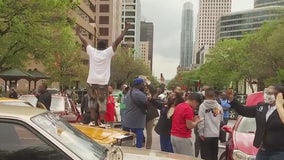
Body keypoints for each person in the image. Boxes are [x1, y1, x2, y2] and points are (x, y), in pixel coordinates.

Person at [75, 22, 131, 125]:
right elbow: (117, 42)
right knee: (102, 102)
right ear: (105, 47)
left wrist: (78, 33)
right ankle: (101, 120)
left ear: (97, 46)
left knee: (92, 101)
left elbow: (85, 42)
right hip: (102, 82)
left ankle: (92, 120)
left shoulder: (92, 51)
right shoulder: (107, 52)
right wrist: (125, 30)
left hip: (91, 81)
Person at [227, 85, 284, 160]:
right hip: (263, 151)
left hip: (279, 152)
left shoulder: (281, 109)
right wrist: (232, 100)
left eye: (270, 93)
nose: (267, 95)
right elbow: (244, 111)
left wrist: (279, 105)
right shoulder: (261, 106)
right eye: (266, 92)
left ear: (280, 95)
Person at [198, 88, 223, 160]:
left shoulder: (202, 106)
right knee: (214, 156)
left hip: (205, 135)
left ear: (205, 95)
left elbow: (201, 121)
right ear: (214, 95)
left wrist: (201, 133)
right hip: (215, 134)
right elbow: (221, 120)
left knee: (205, 156)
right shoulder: (219, 107)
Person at [124, 78, 148, 148]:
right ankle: (138, 149)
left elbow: (123, 105)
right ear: (139, 85)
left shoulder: (129, 92)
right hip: (137, 120)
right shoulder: (139, 94)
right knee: (139, 134)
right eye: (143, 84)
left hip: (129, 118)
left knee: (130, 136)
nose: (144, 86)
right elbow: (148, 102)